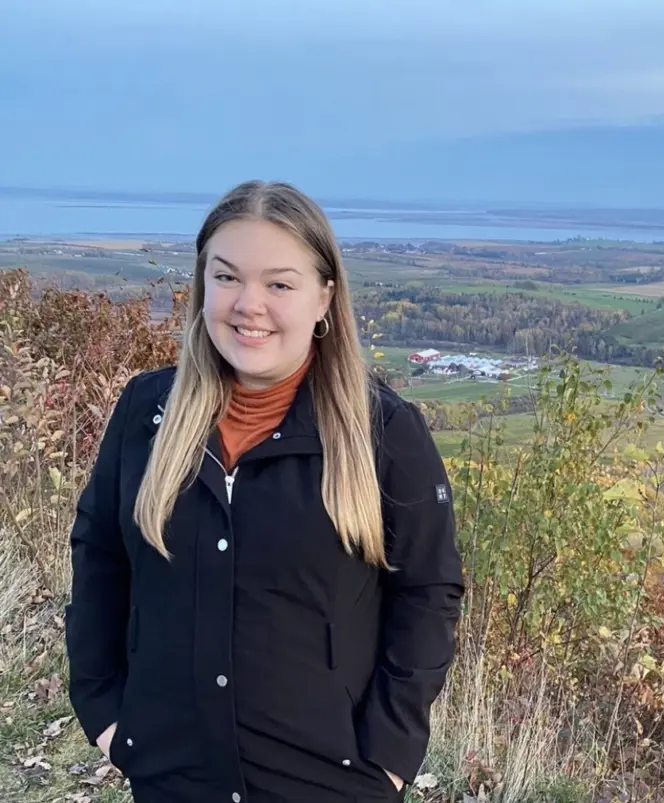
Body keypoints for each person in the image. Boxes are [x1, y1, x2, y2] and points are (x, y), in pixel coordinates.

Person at [64, 180, 465, 803]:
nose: (248, 304)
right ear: (202, 284)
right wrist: (105, 712)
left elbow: (428, 593)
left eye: (279, 284)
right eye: (227, 277)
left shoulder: (383, 433)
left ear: (324, 297)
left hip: (326, 783)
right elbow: (100, 556)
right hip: (172, 777)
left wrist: (387, 754)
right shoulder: (148, 412)